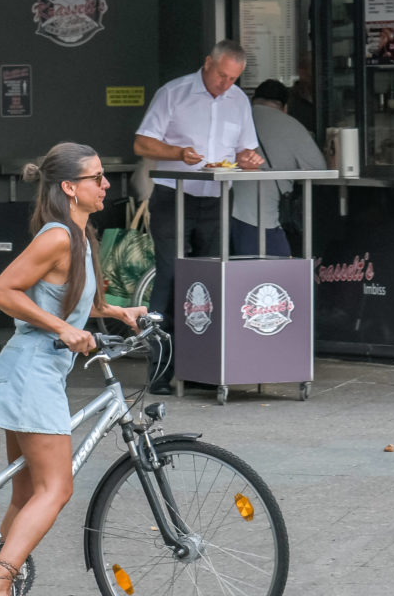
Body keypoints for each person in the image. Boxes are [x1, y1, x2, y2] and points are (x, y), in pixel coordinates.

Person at [0, 142, 147, 596]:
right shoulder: (56, 237)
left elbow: (68, 300)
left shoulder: (79, 236)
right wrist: (62, 331)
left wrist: (115, 313)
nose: (106, 184)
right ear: (69, 187)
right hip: (31, 376)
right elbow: (3, 292)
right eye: (96, 177)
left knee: (27, 495)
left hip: (34, 374)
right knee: (57, 489)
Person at [134, 41, 266, 394]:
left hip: (216, 197)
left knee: (210, 280)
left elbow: (244, 149)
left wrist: (250, 159)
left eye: (233, 78)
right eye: (222, 75)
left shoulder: (238, 100)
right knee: (172, 277)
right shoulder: (173, 93)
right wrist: (177, 153)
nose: (226, 84)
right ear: (207, 63)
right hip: (173, 195)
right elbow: (143, 144)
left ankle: (203, 368)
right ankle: (161, 371)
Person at [248, 78, 327, 255]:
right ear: (285, 107)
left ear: (253, 99)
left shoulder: (239, 117)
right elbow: (320, 170)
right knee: (274, 274)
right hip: (265, 217)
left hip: (222, 209)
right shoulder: (291, 125)